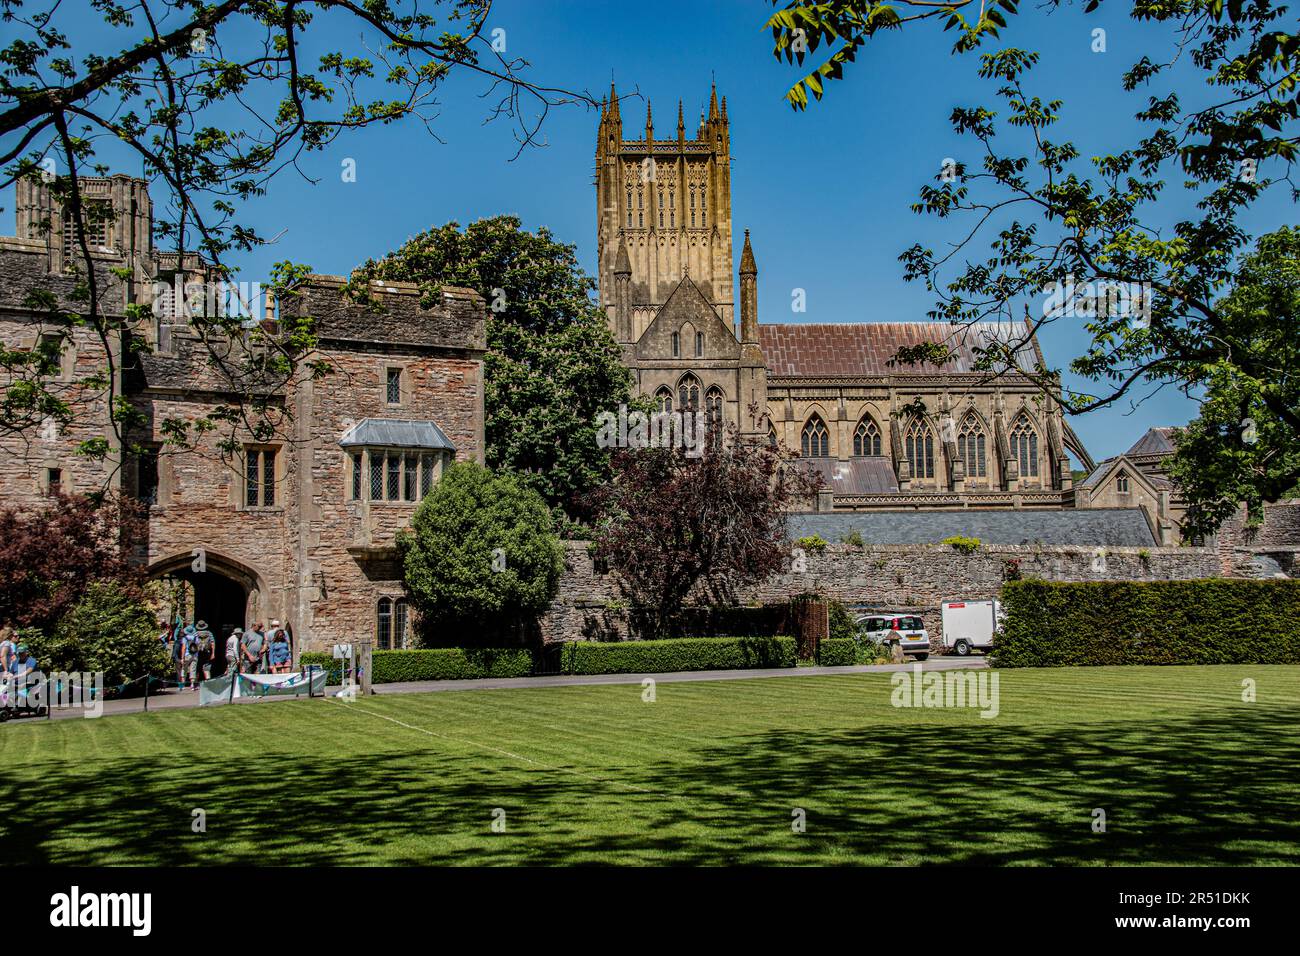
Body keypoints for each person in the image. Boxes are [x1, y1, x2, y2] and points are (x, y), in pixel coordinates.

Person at [194, 620, 215, 684]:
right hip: (207, 652)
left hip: (198, 652)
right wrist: (213, 653)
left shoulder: (196, 633)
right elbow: (213, 643)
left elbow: (193, 643)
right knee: (206, 667)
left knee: (197, 667)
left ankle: (195, 683)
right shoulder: (209, 633)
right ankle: (208, 681)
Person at [182, 624, 201, 690]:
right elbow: (198, 646)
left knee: (184, 669)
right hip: (195, 655)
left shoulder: (185, 638)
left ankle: (183, 684)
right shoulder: (196, 638)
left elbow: (183, 648)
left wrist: (182, 657)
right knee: (193, 669)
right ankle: (192, 684)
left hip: (187, 654)